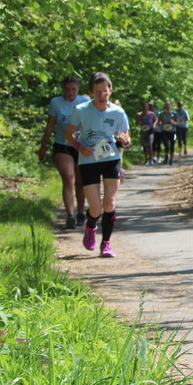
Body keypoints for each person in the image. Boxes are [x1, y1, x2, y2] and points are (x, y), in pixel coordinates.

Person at [66, 72, 131, 259]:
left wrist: (124, 139)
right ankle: (91, 225)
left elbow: (126, 138)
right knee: (95, 208)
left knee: (109, 202)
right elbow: (69, 135)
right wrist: (80, 147)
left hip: (111, 159)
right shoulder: (81, 110)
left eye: (105, 91)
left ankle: (106, 244)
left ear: (110, 91)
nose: (102, 96)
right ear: (91, 93)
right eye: (97, 92)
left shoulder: (118, 112)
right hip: (88, 161)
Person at [37, 74, 91, 229]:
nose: (70, 93)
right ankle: (70, 215)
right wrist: (43, 146)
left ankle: (81, 212)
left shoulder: (85, 102)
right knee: (68, 179)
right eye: (67, 90)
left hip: (81, 146)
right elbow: (50, 126)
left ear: (78, 89)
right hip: (62, 145)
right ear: (63, 89)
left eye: (73, 89)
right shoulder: (56, 103)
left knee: (80, 182)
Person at [159, 99, 179, 165]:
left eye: (169, 105)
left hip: (173, 131)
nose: (168, 106)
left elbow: (178, 123)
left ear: (171, 106)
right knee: (166, 145)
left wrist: (173, 122)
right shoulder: (162, 113)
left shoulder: (175, 113)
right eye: (166, 105)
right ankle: (166, 156)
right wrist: (161, 126)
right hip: (165, 131)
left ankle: (171, 160)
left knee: (172, 146)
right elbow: (159, 121)